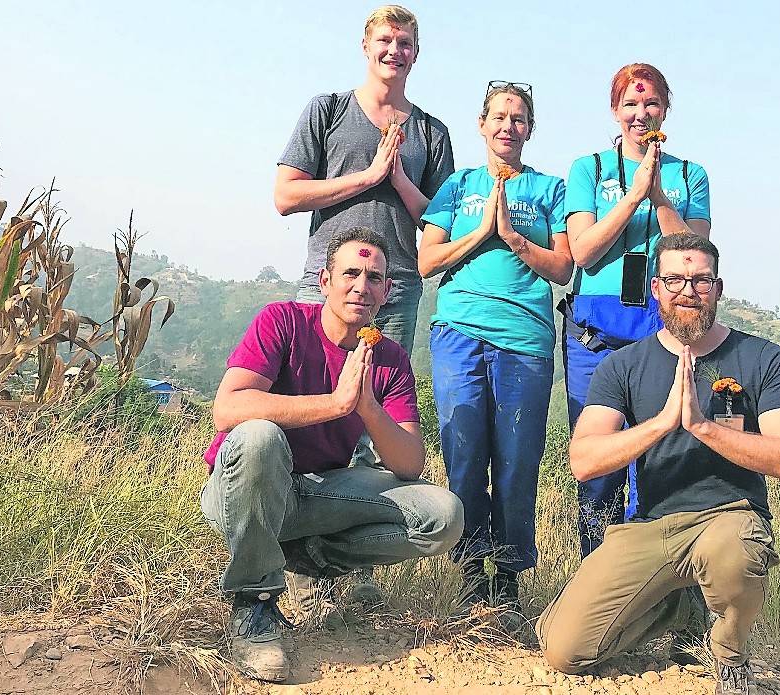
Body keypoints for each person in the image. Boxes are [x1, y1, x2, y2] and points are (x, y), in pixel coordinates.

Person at [536, 233, 780, 695]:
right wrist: (661, 424)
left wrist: (703, 427)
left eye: (701, 281)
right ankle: (683, 608)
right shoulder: (622, 366)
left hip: (728, 517)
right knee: (565, 649)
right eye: (676, 280)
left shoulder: (763, 358)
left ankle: (729, 656)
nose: (688, 291)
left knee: (735, 553)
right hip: (651, 525)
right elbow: (583, 460)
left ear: (718, 289)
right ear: (656, 288)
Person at [201, 228, 464, 682]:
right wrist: (335, 404)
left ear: (386, 292)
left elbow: (408, 464)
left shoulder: (388, 357)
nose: (361, 285)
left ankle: (309, 557)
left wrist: (366, 405)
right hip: (244, 491)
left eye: (374, 277)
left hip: (318, 496)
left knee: (443, 514)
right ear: (324, 281)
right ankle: (254, 605)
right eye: (350, 273)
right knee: (259, 437)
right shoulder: (281, 321)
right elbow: (227, 409)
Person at [418, 82, 572, 611]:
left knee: (516, 458)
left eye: (520, 118)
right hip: (459, 330)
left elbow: (564, 266)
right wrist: (483, 229)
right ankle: (467, 569)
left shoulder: (550, 190)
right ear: (482, 125)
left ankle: (506, 576)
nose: (509, 126)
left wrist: (513, 238)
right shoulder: (457, 187)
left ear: (530, 129)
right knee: (463, 451)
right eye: (500, 117)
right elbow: (426, 261)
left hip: (525, 339)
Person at [562, 62, 712, 557]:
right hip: (596, 334)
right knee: (602, 462)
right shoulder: (590, 170)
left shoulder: (691, 174)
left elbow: (693, 252)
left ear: (666, 110)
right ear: (614, 110)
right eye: (630, 104)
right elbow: (582, 251)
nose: (641, 113)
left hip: (663, 325)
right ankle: (596, 579)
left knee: (659, 458)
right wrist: (632, 196)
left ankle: (658, 586)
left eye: (650, 104)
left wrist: (660, 194)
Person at [274, 5, 455, 355]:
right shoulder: (327, 109)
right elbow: (285, 196)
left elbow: (440, 226)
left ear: (416, 54)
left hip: (394, 290)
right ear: (365, 46)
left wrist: (399, 179)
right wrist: (369, 176)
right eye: (384, 40)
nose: (394, 50)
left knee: (381, 400)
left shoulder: (432, 132)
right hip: (326, 283)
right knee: (313, 397)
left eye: (404, 43)